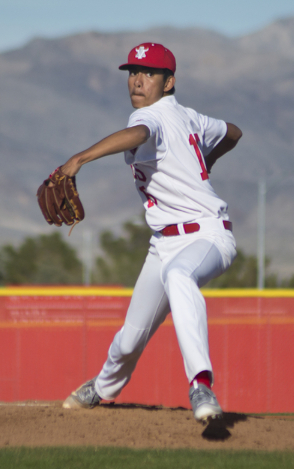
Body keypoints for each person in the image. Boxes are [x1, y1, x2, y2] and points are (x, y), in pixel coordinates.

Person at [61, 42, 242, 423]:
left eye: (148, 73)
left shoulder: (152, 116)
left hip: (207, 235)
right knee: (131, 336)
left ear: (169, 81)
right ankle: (103, 386)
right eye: (132, 72)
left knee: (180, 275)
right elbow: (233, 133)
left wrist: (79, 158)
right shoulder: (189, 116)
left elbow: (140, 134)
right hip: (164, 242)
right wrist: (204, 163)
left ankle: (200, 383)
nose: (137, 80)